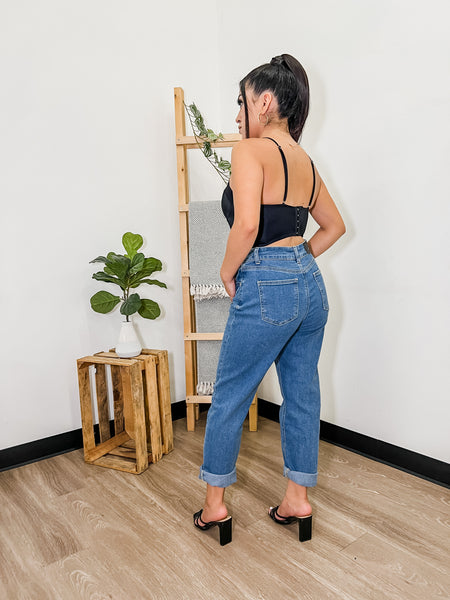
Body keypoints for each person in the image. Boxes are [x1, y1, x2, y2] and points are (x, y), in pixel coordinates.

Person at [193, 54, 346, 545]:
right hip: (310, 288)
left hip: (265, 285)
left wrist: (226, 269)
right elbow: (333, 227)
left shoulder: (250, 151)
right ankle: (297, 499)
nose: (238, 116)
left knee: (231, 396)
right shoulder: (305, 160)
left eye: (241, 104)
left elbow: (248, 225)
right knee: (302, 395)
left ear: (263, 102)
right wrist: (298, 260)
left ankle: (215, 507)